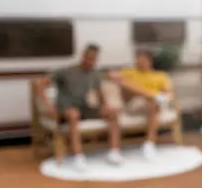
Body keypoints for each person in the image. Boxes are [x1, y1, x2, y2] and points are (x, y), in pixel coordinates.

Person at [38, 43, 122, 171]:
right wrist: (49, 106)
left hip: (85, 107)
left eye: (94, 59)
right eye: (89, 58)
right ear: (83, 56)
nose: (91, 61)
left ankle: (114, 152)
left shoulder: (95, 73)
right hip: (65, 108)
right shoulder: (65, 72)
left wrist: (105, 105)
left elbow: (100, 92)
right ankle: (79, 157)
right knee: (74, 114)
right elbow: (40, 85)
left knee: (113, 113)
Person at [109, 49, 174, 161]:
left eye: (143, 60)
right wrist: (150, 94)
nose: (140, 62)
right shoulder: (130, 72)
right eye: (138, 60)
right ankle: (150, 96)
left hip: (152, 105)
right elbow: (111, 75)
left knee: (153, 103)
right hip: (133, 103)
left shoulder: (160, 76)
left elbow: (170, 94)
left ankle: (149, 144)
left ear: (150, 61)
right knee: (125, 84)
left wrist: (156, 97)